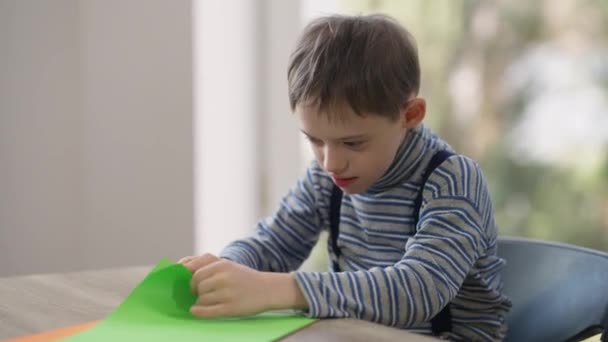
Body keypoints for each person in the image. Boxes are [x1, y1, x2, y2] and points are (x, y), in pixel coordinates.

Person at [178, 14, 511, 341]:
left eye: (352, 143)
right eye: (315, 140)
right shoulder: (327, 178)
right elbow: (273, 244)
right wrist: (223, 270)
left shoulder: (453, 179)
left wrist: (275, 289)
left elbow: (419, 288)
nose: (331, 162)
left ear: (410, 115)